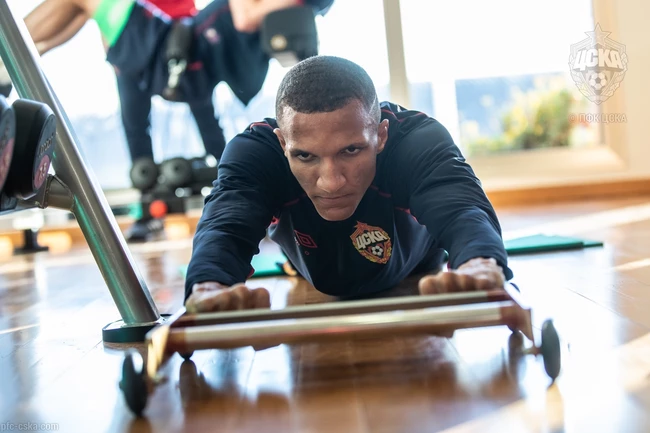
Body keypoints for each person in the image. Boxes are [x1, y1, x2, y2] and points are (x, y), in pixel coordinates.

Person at [183, 55, 514, 314]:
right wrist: (210, 284)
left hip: (417, 269)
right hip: (311, 261)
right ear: (283, 143)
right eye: (305, 156)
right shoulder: (257, 152)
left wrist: (479, 262)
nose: (331, 182)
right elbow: (228, 219)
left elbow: (460, 207)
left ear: (381, 135)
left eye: (351, 150)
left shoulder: (416, 141)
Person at [0, 0, 334, 239]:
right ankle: (13, 57)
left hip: (174, 50)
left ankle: (8, 43)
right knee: (79, 8)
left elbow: (244, 16)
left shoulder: (283, 6)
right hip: (179, 49)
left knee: (82, 2)